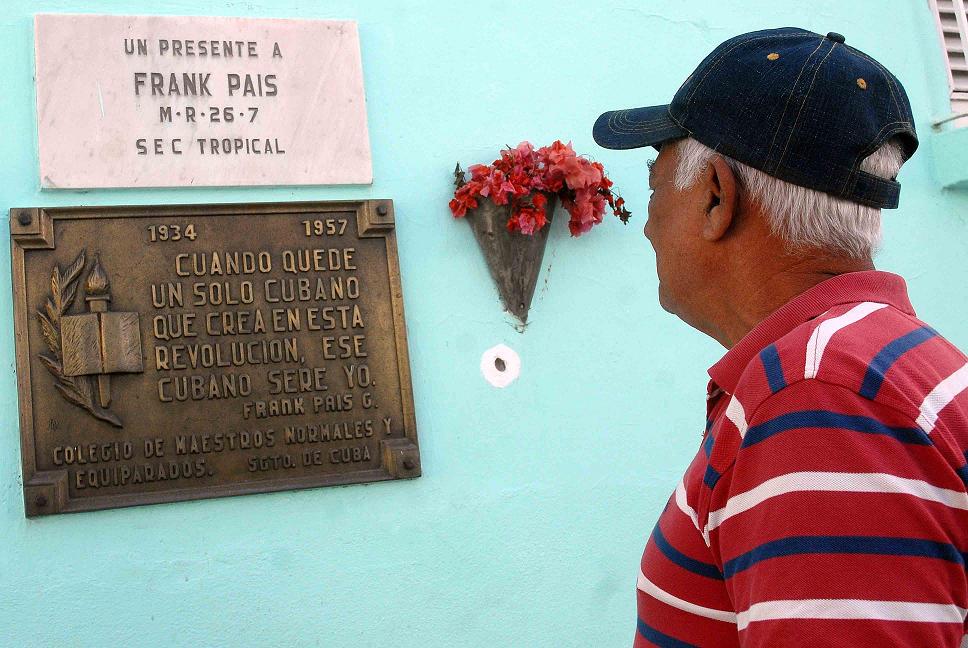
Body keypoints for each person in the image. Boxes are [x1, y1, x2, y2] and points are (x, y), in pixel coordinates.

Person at [593, 27, 968, 647]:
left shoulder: (818, 396)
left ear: (717, 197)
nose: (649, 228)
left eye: (655, 187)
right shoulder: (873, 361)